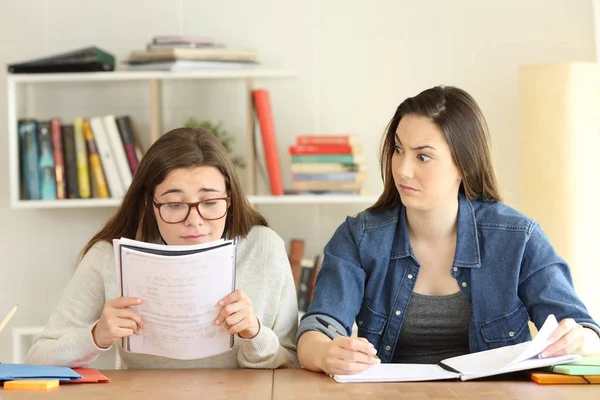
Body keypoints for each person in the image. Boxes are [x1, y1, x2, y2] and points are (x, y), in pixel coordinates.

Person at [296, 86, 600, 375]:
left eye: (423, 156)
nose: (402, 169)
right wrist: (327, 353)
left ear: (464, 164)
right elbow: (317, 330)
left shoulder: (518, 237)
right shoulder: (359, 236)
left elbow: (587, 333)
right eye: (398, 150)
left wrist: (577, 339)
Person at [27, 127, 298, 369]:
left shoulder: (263, 247)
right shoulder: (109, 256)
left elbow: (292, 362)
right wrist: (97, 335)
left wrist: (255, 333)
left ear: (230, 200)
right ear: (150, 203)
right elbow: (39, 358)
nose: (195, 221)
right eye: (175, 205)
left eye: (211, 202)